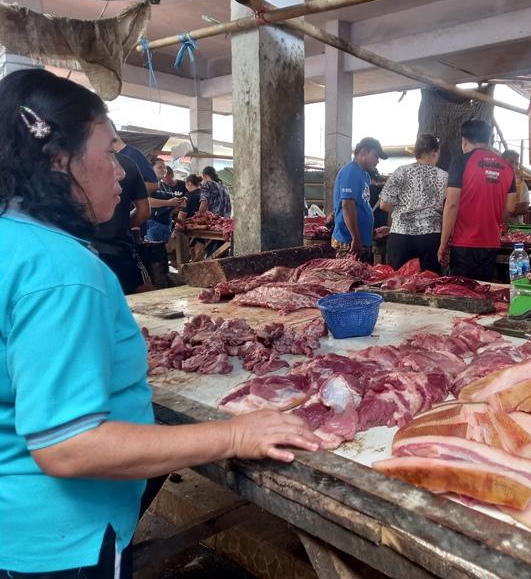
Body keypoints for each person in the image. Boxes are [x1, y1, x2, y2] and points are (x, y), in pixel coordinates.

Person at [0, 69, 320, 577]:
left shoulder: (12, 241)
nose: (123, 172)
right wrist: (234, 436)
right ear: (59, 160)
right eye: (109, 152)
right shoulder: (60, 272)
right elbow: (68, 445)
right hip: (60, 544)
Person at [437, 119, 516, 281]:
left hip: (464, 244)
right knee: (484, 292)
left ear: (464, 140)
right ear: (488, 140)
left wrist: (443, 243)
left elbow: (451, 204)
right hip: (491, 243)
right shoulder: (507, 168)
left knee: (461, 294)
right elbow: (509, 208)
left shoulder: (460, 162)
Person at [91, 138, 154, 295]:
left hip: (83, 253)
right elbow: (144, 211)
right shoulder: (128, 164)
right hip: (120, 251)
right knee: (143, 301)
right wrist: (123, 224)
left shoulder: (66, 165)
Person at [380, 134, 448, 272]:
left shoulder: (401, 171)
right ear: (436, 152)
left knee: (398, 285)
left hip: (400, 236)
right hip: (430, 238)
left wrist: (403, 211)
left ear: (416, 153)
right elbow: (448, 208)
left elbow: (384, 204)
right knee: (429, 287)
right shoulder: (444, 176)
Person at [331, 137, 387, 260]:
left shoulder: (365, 175)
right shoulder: (351, 172)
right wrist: (355, 237)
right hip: (348, 242)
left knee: (361, 277)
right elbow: (347, 206)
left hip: (360, 241)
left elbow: (361, 206)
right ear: (364, 152)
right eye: (376, 156)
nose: (377, 161)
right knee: (349, 278)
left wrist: (371, 233)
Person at [146, 157, 184, 242]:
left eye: (165, 167)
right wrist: (168, 203)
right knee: (153, 252)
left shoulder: (165, 186)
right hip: (152, 225)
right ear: (150, 169)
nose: (164, 170)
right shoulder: (147, 184)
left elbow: (168, 208)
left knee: (164, 253)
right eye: (160, 167)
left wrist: (176, 206)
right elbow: (146, 201)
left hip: (166, 224)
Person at [501, 149, 530, 224]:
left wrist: (502, 209)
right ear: (502, 161)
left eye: (516, 163)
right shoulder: (494, 181)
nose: (513, 166)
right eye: (511, 162)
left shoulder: (522, 185)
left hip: (515, 229)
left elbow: (524, 208)